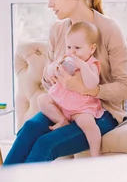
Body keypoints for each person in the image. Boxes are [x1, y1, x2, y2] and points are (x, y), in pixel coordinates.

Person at [3, 0, 127, 165]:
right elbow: (48, 84)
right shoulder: (58, 30)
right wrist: (50, 73)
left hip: (100, 113)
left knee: (45, 144)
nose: (49, 3)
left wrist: (87, 89)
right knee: (29, 129)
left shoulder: (109, 29)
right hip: (64, 106)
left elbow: (125, 88)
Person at [37, 21, 104, 157]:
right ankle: (61, 120)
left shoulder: (91, 64)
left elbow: (92, 84)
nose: (72, 52)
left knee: (88, 124)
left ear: (91, 49)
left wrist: (83, 66)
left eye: (77, 48)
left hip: (80, 107)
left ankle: (96, 154)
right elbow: (50, 73)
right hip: (60, 102)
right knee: (42, 100)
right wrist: (54, 68)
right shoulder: (65, 59)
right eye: (69, 47)